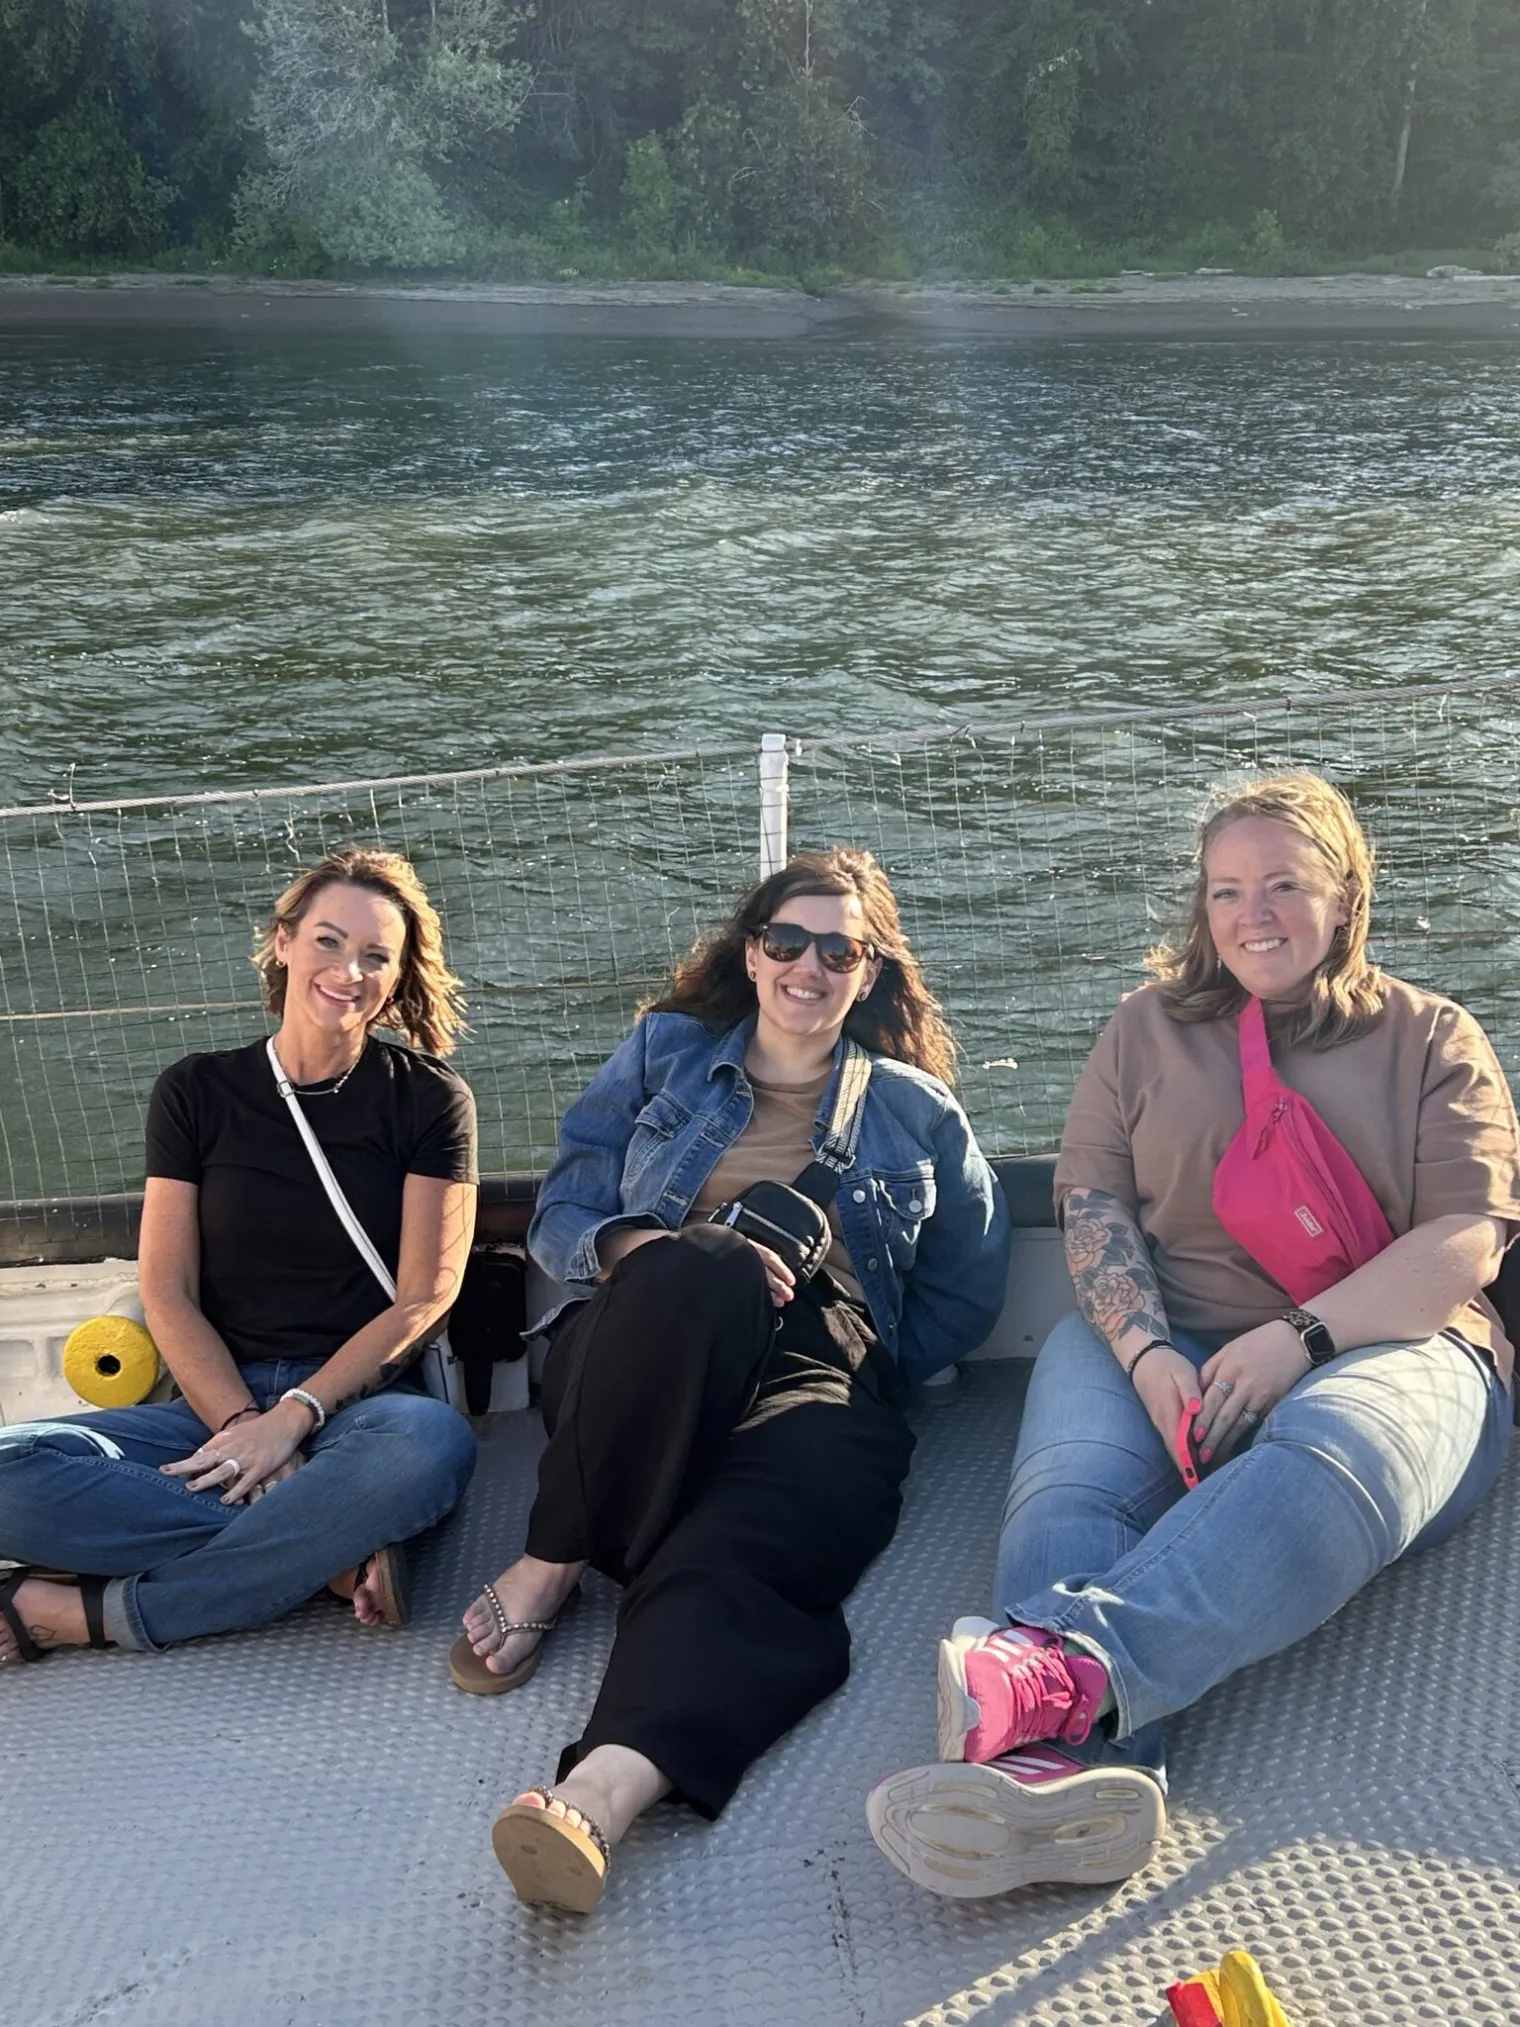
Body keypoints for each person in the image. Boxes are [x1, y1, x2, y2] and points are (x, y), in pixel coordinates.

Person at [868, 772, 1520, 1898]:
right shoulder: (1144, 1027)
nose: (1249, 914)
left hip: (1391, 1343)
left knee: (1330, 1454)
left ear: (1344, 895)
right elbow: (1092, 1206)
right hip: (1161, 1333)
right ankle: (1076, 1782)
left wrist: (1297, 1341)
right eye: (1224, 889)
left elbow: (1464, 1238)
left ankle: (1054, 1675)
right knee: (1070, 1494)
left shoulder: (1431, 1039)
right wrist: (1147, 1351)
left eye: (1280, 884)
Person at [455, 845, 1010, 1914]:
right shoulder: (664, 1053)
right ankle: (553, 1554)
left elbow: (963, 1288)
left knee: (760, 1533)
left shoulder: (915, 1109)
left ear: (869, 971)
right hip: (643, 1325)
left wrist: (862, 1349)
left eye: (837, 949)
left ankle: (594, 1795)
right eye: (786, 940)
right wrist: (649, 1254)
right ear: (751, 952)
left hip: (813, 1352)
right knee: (705, 1261)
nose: (808, 965)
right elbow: (566, 1210)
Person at [0, 846, 479, 1667]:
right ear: (283, 941)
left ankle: (87, 1610)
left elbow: (420, 1300)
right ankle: (325, 1551)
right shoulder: (196, 1091)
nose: (348, 970)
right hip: (207, 1401)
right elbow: (169, 1289)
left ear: (397, 978)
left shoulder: (430, 1100)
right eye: (328, 941)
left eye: (375, 956)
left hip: (356, 1407)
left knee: (430, 1448)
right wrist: (241, 1429)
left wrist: (295, 1418)